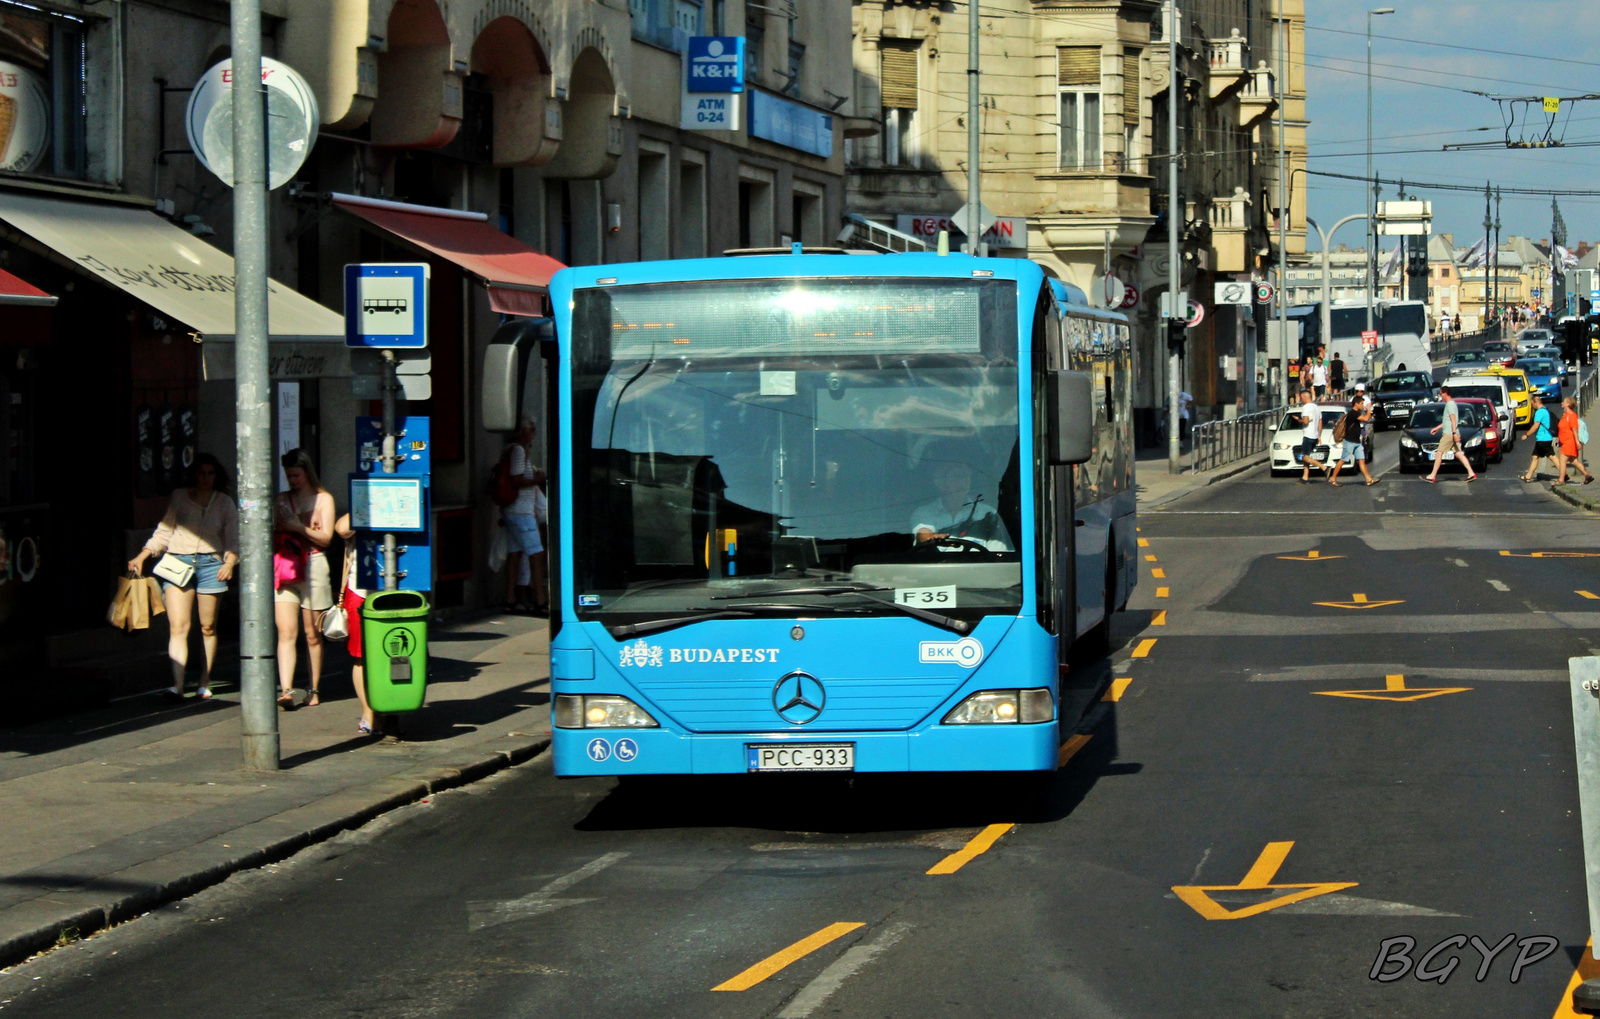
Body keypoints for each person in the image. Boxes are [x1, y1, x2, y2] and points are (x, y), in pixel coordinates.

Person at [127, 454, 238, 700]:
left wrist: (230, 562)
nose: (206, 478)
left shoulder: (224, 502)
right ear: (194, 475)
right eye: (201, 473)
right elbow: (164, 532)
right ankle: (177, 685)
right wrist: (142, 556)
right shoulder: (179, 497)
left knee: (208, 627)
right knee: (179, 626)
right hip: (178, 561)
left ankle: (204, 681)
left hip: (212, 563)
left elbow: (233, 538)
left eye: (210, 473)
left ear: (216, 476)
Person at [274, 448, 336, 708]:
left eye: (296, 475)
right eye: (289, 476)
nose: (293, 480)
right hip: (287, 565)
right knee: (286, 631)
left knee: (312, 633)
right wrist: (307, 529)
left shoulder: (324, 500)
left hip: (313, 564)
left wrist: (298, 527)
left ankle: (314, 688)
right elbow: (277, 528)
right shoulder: (281, 499)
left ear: (307, 472)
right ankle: (287, 689)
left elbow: (326, 538)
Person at [332, 513, 377, 735]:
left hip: (392, 589)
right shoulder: (363, 503)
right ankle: (368, 711)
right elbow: (341, 528)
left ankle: (386, 712)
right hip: (359, 591)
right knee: (361, 656)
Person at [501, 417, 549, 615]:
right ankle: (540, 601)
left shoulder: (510, 450)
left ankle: (511, 600)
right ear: (522, 431)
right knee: (537, 554)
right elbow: (516, 481)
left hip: (512, 511)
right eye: (532, 430)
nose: (534, 434)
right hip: (522, 512)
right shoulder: (518, 451)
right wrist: (537, 479)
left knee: (515, 554)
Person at [912, 456, 1012, 550]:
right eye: (956, 475)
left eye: (966, 475)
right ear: (940, 482)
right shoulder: (924, 513)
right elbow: (923, 534)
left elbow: (999, 557)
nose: (963, 481)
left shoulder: (987, 514)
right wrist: (930, 537)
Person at [1425, 387, 1478, 484]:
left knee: (1439, 453)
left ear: (1445, 393)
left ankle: (1432, 475)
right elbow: (1448, 421)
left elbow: (1453, 419)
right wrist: (1437, 428)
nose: (1441, 396)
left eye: (1441, 394)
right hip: (1452, 432)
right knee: (1458, 453)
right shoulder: (1452, 404)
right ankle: (1471, 473)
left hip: (1449, 434)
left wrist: (1454, 433)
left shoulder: (1450, 405)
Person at [1327, 396, 1378, 487]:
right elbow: (1366, 419)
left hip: (1356, 441)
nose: (1363, 405)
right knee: (1343, 460)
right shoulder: (1353, 413)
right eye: (1361, 403)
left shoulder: (1357, 413)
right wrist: (1369, 410)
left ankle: (1368, 479)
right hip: (1350, 441)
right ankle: (1333, 478)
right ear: (1356, 404)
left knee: (1361, 460)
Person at [1519, 393, 1561, 483]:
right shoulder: (1545, 410)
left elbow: (1535, 426)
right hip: (1543, 438)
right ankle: (1528, 476)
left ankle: (1563, 474)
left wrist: (1526, 435)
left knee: (1552, 456)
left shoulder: (1539, 412)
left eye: (1532, 404)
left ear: (1535, 402)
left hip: (1544, 439)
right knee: (1535, 457)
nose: (1532, 406)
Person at [1556, 396, 1595, 486]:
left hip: (1569, 442)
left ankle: (1561, 480)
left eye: (1564, 402)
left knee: (1562, 460)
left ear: (1568, 404)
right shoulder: (1565, 415)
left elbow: (1574, 429)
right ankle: (1587, 476)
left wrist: (1577, 442)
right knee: (1574, 461)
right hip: (1565, 441)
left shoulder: (1572, 416)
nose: (1562, 403)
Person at [1296, 390, 1327, 484]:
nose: (1301, 399)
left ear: (1305, 397)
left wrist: (1298, 420)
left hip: (1308, 435)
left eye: (1301, 397)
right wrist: (1319, 435)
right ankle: (1305, 477)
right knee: (1307, 456)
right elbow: (1320, 422)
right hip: (1315, 435)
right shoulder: (1316, 407)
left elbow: (1305, 421)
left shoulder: (1306, 407)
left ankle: (1324, 467)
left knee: (1303, 457)